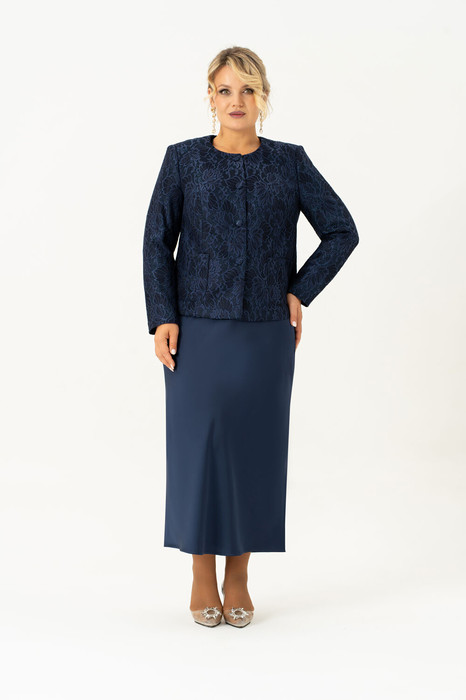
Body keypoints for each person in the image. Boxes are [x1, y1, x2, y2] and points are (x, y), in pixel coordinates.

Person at [142, 46, 359, 628]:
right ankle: (200, 572)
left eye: (247, 90)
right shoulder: (183, 160)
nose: (236, 101)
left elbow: (342, 230)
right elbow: (157, 240)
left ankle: (238, 574)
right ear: (210, 98)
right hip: (195, 331)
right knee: (198, 449)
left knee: (253, 451)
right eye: (225, 90)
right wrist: (162, 315)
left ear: (263, 98)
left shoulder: (290, 163)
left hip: (265, 332)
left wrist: (299, 292)